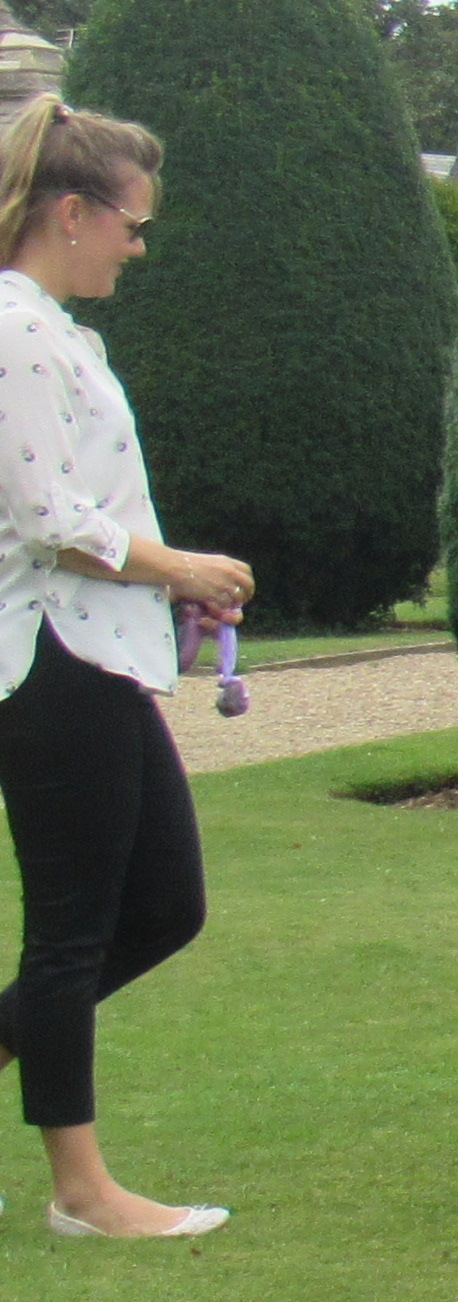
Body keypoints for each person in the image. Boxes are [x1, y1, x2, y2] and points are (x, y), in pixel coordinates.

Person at [0, 104, 251, 1239]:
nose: (137, 246)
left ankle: (43, 1090)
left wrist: (164, 581)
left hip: (99, 652)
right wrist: (177, 563)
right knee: (70, 934)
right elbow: (51, 519)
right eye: (131, 225)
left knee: (166, 905)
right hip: (46, 654)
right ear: (71, 212)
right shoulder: (11, 329)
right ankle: (83, 1194)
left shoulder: (55, 329)